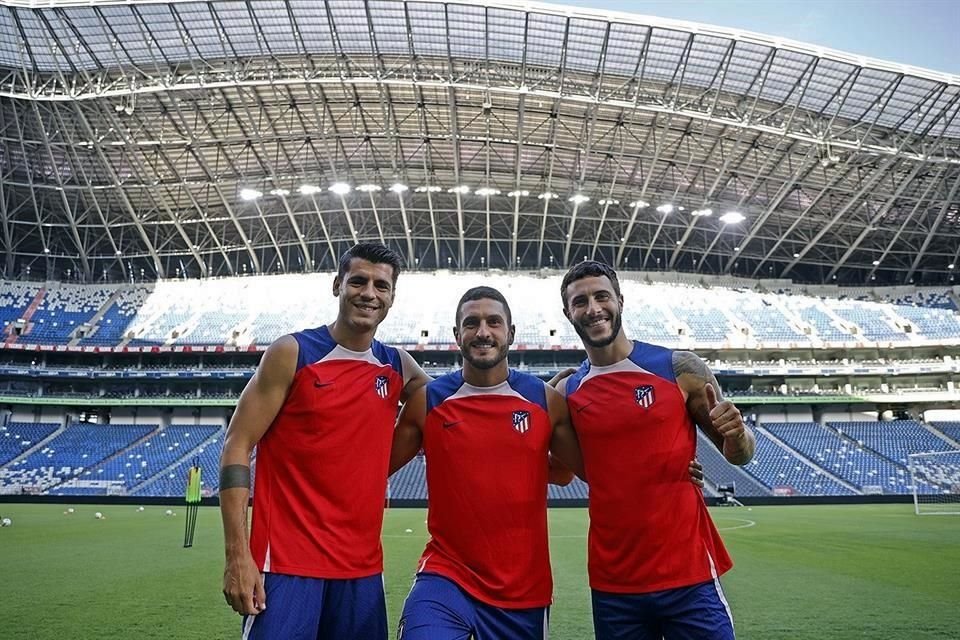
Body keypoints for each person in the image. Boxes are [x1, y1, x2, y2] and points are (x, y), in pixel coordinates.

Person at [219, 242, 430, 640]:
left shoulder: (397, 365)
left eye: (381, 286)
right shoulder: (293, 352)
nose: (369, 293)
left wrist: (546, 393)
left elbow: (452, 407)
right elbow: (237, 443)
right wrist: (237, 555)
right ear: (338, 285)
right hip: (285, 564)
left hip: (361, 570)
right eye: (358, 281)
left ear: (392, 297)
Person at [556, 260, 756, 640]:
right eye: (580, 301)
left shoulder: (680, 368)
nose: (593, 308)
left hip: (690, 574)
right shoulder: (567, 392)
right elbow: (575, 469)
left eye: (602, 296)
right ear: (568, 313)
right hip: (615, 583)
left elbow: (739, 454)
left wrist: (739, 434)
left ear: (620, 301)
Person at [388, 286, 585, 639]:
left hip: (523, 589)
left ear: (510, 333)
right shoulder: (428, 402)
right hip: (446, 576)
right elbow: (372, 467)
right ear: (456, 334)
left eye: (494, 322)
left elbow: (571, 471)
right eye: (471, 323)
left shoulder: (546, 401)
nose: (483, 332)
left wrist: (674, 461)